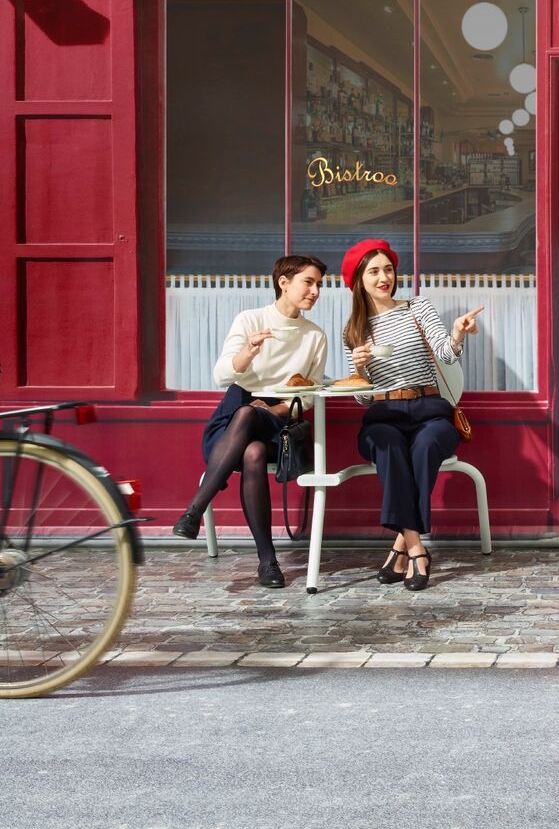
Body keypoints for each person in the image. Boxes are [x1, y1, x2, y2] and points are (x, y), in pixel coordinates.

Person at [172, 255, 329, 589]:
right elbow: (221, 376)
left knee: (252, 422)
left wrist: (273, 411)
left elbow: (309, 397)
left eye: (319, 284)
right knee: (251, 449)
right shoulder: (250, 320)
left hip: (280, 423)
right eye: (308, 282)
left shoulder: (314, 336)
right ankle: (267, 561)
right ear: (283, 283)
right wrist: (248, 352)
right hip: (233, 419)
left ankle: (194, 510)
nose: (315, 291)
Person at [342, 238, 483, 591]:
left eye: (388, 269)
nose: (383, 278)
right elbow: (362, 398)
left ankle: (402, 545)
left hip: (429, 410)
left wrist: (457, 334)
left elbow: (445, 355)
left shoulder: (417, 308)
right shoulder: (355, 331)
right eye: (374, 271)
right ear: (359, 279)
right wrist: (359, 370)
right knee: (388, 446)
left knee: (426, 446)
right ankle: (418, 548)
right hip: (383, 415)